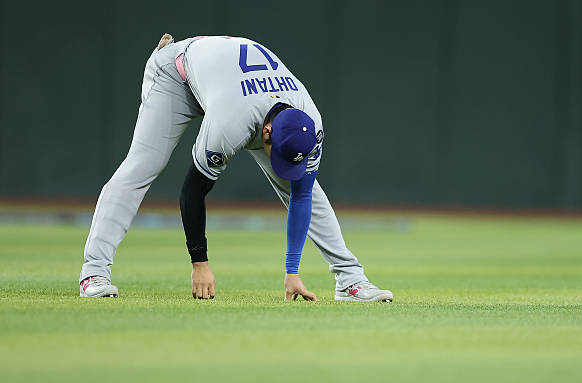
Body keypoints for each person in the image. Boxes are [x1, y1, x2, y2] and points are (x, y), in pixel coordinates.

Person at [79, 34, 393, 302]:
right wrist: (199, 262)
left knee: (307, 189)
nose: (280, 165)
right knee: (142, 165)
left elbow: (301, 197)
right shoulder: (231, 122)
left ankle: (350, 280)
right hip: (178, 73)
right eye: (277, 155)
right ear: (265, 134)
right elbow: (192, 191)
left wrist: (292, 272)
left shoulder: (310, 124)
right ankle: (93, 274)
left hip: (230, 82)